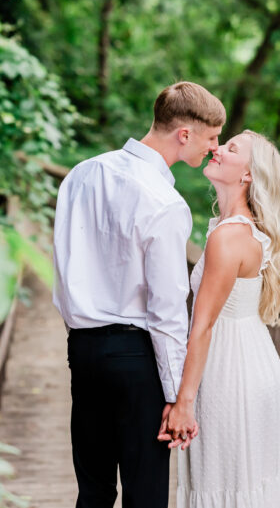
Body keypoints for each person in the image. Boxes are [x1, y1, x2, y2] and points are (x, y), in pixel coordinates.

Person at [53, 81, 225, 508]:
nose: (214, 148)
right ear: (184, 134)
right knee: (145, 494)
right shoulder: (164, 202)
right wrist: (176, 397)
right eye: (212, 137)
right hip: (136, 358)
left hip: (83, 348)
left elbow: (62, 263)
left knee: (92, 490)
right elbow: (167, 310)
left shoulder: (82, 174)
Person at [158, 130, 280, 507]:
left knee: (225, 480)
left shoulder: (228, 237)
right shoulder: (241, 231)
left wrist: (183, 402)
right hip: (252, 360)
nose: (217, 149)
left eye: (230, 148)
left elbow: (204, 324)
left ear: (247, 175)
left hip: (230, 374)